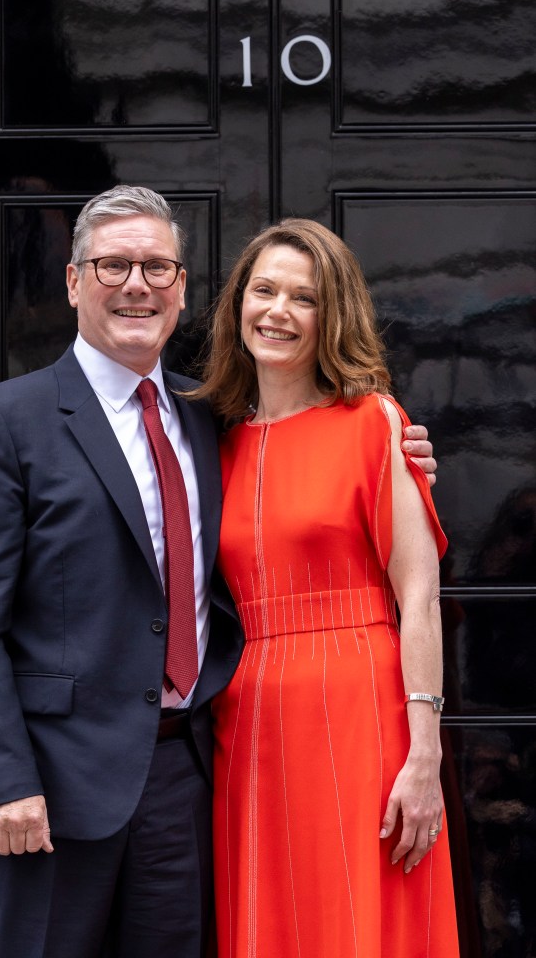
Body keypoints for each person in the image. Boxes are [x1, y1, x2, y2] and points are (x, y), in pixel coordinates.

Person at [0, 186, 438, 958]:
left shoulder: (210, 422)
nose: (138, 285)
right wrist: (2, 780)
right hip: (46, 792)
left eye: (158, 268)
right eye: (113, 266)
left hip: (186, 779)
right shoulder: (4, 421)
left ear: (183, 289)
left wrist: (400, 458)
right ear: (73, 282)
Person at [193, 218, 459, 957]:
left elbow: (421, 599)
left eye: (302, 298)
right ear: (237, 304)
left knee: (362, 916)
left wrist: (425, 754)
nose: (277, 311)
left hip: (361, 708)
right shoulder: (211, 439)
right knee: (274, 921)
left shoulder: (373, 422)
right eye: (263, 290)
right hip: (249, 721)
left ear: (331, 314)